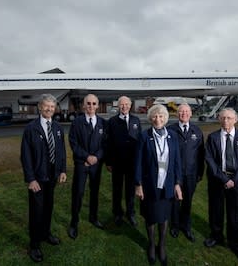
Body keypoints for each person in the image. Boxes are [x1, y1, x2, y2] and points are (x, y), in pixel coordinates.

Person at [203, 108, 238, 263]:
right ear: (219, 119)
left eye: (229, 118)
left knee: (235, 215)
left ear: (236, 120)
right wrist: (224, 179)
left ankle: (236, 244)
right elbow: (209, 160)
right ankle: (216, 236)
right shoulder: (212, 138)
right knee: (216, 211)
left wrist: (235, 180)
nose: (226, 121)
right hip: (218, 181)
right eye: (223, 118)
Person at [20, 94, 67, 263]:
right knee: (36, 211)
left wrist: (63, 170)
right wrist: (31, 179)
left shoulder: (58, 127)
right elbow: (25, 156)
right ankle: (34, 244)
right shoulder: (31, 129)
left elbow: (61, 152)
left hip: (52, 176)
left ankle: (46, 234)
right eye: (46, 106)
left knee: (48, 207)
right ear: (40, 107)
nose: (49, 109)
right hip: (38, 178)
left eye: (52, 107)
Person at [135, 104, 182, 266]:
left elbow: (177, 162)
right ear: (150, 118)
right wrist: (138, 184)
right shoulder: (144, 136)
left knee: (163, 216)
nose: (158, 119)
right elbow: (138, 162)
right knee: (150, 216)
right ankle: (151, 244)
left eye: (161, 116)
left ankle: (161, 245)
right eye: (155, 116)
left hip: (167, 183)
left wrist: (177, 183)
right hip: (149, 184)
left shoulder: (173, 136)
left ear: (166, 118)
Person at [68, 94, 106, 239]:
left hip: (96, 164)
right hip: (82, 164)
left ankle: (93, 217)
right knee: (78, 193)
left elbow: (105, 144)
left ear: (97, 105)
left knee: (94, 192)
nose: (91, 106)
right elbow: (73, 143)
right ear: (84, 105)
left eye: (93, 103)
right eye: (88, 104)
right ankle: (74, 222)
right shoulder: (77, 122)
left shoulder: (103, 123)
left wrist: (96, 157)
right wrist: (86, 157)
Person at [168, 103, 205, 242]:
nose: (183, 114)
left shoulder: (197, 131)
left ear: (190, 114)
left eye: (186, 111)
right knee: (175, 201)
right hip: (175, 174)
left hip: (191, 174)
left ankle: (186, 227)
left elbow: (201, 154)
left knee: (188, 201)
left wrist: (200, 172)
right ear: (177, 114)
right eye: (181, 111)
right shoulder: (170, 130)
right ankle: (175, 226)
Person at [105, 96, 142, 227]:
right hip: (117, 162)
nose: (124, 107)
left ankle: (130, 213)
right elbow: (108, 143)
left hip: (132, 162)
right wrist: (108, 162)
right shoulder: (112, 121)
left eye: (127, 104)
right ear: (118, 106)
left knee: (130, 190)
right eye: (122, 104)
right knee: (117, 189)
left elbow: (140, 142)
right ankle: (117, 213)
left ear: (130, 105)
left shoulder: (136, 120)